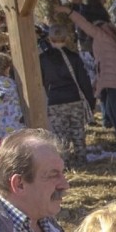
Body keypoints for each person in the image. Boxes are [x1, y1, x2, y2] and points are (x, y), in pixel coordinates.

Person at [56, 4, 116, 152]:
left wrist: (67, 11)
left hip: (112, 78)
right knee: (112, 109)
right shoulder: (113, 34)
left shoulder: (101, 33)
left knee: (114, 110)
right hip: (115, 76)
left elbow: (82, 23)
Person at [39, 23, 95, 168]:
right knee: (78, 131)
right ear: (66, 38)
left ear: (50, 39)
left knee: (59, 135)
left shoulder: (43, 59)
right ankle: (81, 160)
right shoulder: (74, 57)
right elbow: (84, 80)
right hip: (74, 98)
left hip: (54, 100)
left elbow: (42, 82)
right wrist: (91, 101)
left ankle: (65, 162)